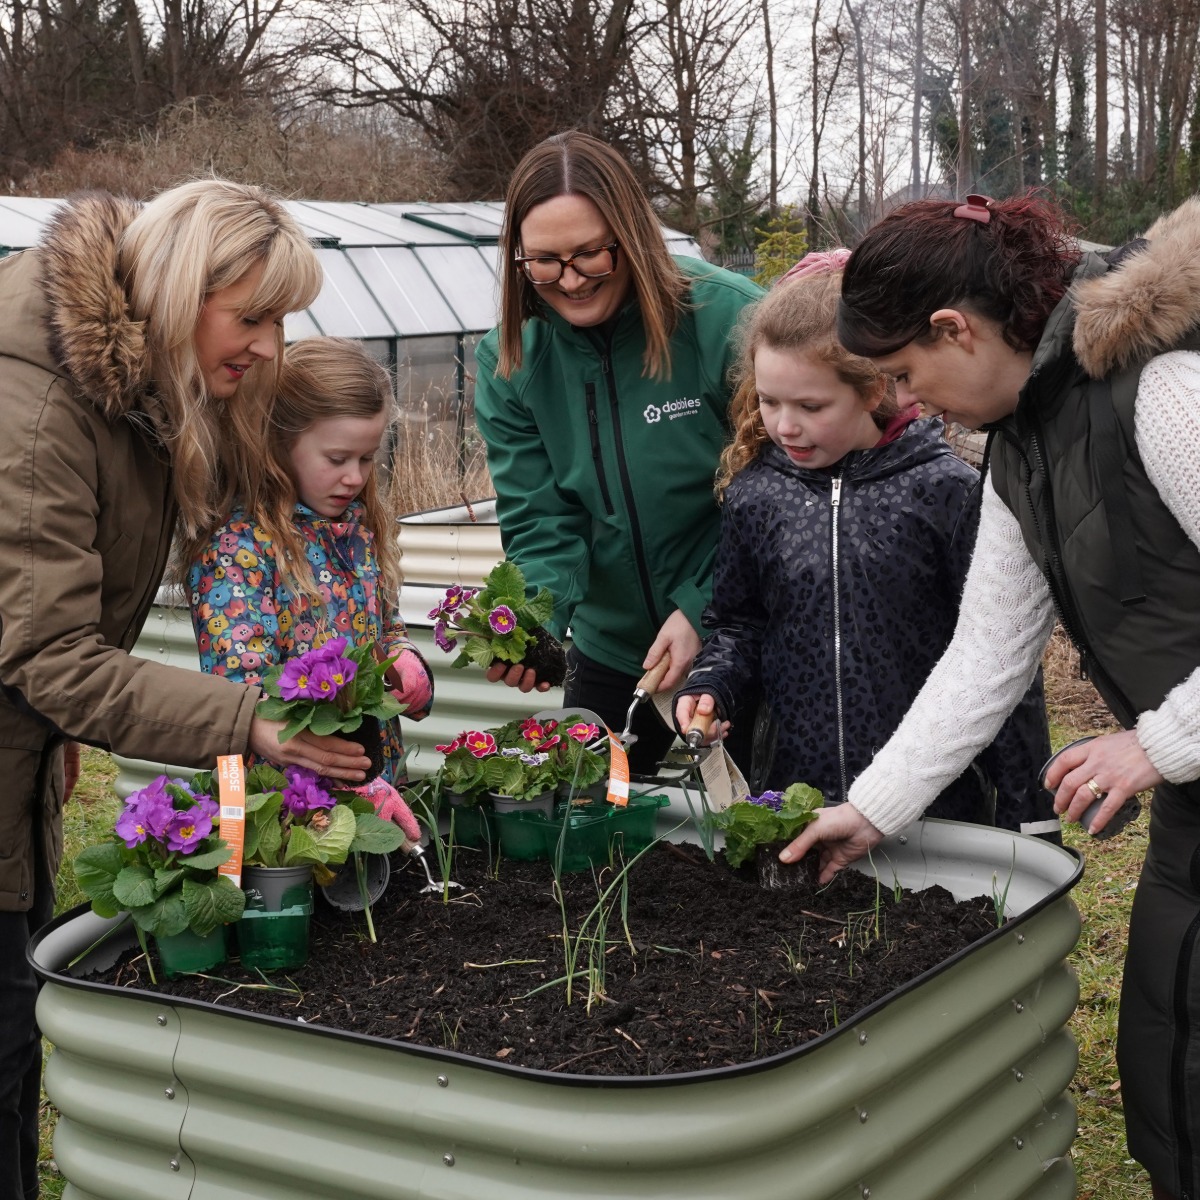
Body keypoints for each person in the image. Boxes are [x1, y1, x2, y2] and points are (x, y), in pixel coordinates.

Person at [783, 193, 1200, 1200]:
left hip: (1185, 760)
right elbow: (986, 657)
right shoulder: (1024, 442)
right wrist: (873, 808)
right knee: (1167, 1067)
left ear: (955, 330)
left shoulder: (1164, 397)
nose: (907, 400)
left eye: (902, 373)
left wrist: (1158, 744)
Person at [0, 181, 374, 1200]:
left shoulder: (130, 384)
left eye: (279, 319)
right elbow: (48, 653)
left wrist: (46, 732)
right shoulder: (38, 401)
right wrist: (253, 725)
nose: (268, 345)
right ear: (175, 290)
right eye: (250, 315)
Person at [672, 253, 1054, 832]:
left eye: (810, 406)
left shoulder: (945, 490)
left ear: (874, 386)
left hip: (936, 805)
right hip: (795, 796)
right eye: (770, 402)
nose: (784, 426)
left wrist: (1032, 816)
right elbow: (738, 624)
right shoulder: (756, 496)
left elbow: (1001, 661)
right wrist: (711, 686)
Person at [474, 130, 764, 774]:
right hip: (611, 652)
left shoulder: (729, 322)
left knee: (753, 834)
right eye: (544, 262)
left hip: (738, 638)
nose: (570, 281)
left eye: (589, 256)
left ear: (631, 236)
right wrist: (533, 623)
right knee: (596, 844)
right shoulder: (510, 359)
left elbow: (777, 496)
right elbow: (540, 521)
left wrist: (701, 606)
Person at [186, 336, 434, 787]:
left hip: (373, 778)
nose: (355, 477)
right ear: (277, 444)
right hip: (288, 796)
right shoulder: (239, 549)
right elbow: (241, 693)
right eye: (337, 458)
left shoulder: (358, 530)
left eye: (367, 458)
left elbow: (385, 630)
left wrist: (403, 662)